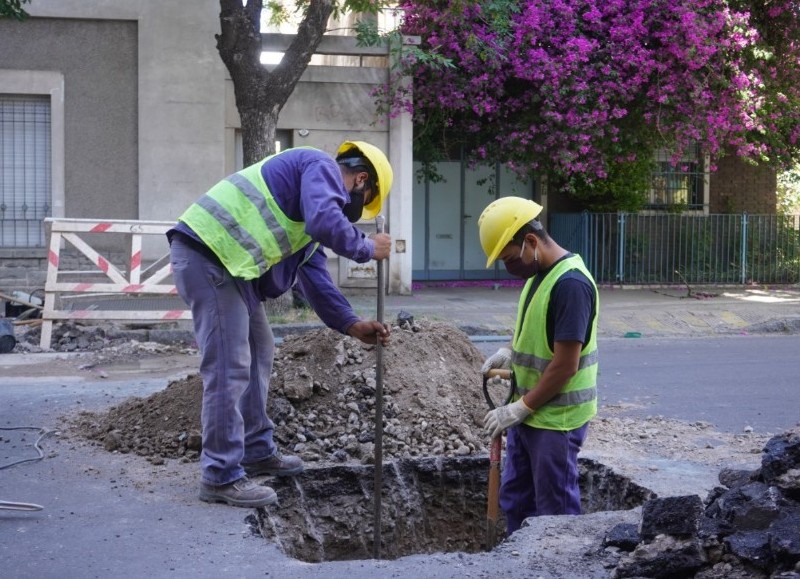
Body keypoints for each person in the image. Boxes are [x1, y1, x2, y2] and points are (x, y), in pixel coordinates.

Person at [168, 141, 393, 508]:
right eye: (364, 198)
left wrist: (352, 324)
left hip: (231, 267)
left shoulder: (307, 220)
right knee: (230, 366)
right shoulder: (319, 166)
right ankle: (220, 475)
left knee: (260, 349)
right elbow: (327, 221)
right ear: (360, 179)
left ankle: (255, 449)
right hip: (207, 254)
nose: (356, 208)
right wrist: (367, 247)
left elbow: (317, 281)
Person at [478, 196, 598, 535]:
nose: (509, 267)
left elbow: (565, 365)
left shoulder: (571, 284)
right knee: (517, 499)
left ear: (530, 242)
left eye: (509, 257)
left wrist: (518, 409)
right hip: (530, 414)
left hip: (555, 421)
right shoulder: (538, 277)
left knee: (554, 513)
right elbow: (541, 336)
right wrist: (510, 353)